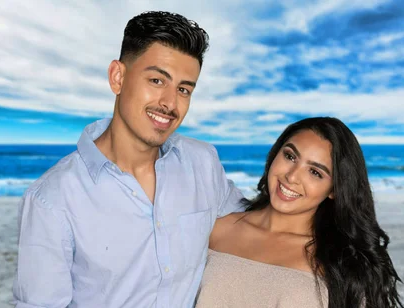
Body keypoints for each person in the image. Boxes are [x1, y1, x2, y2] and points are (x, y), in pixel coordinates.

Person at [13, 11, 243, 307]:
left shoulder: (202, 163)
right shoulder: (51, 200)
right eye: (158, 80)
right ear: (117, 77)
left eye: (184, 89)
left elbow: (259, 225)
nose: (170, 103)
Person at [197, 117, 403, 308]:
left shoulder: (342, 261)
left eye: (315, 172)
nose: (292, 176)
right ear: (274, 154)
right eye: (290, 156)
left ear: (334, 190)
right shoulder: (215, 230)